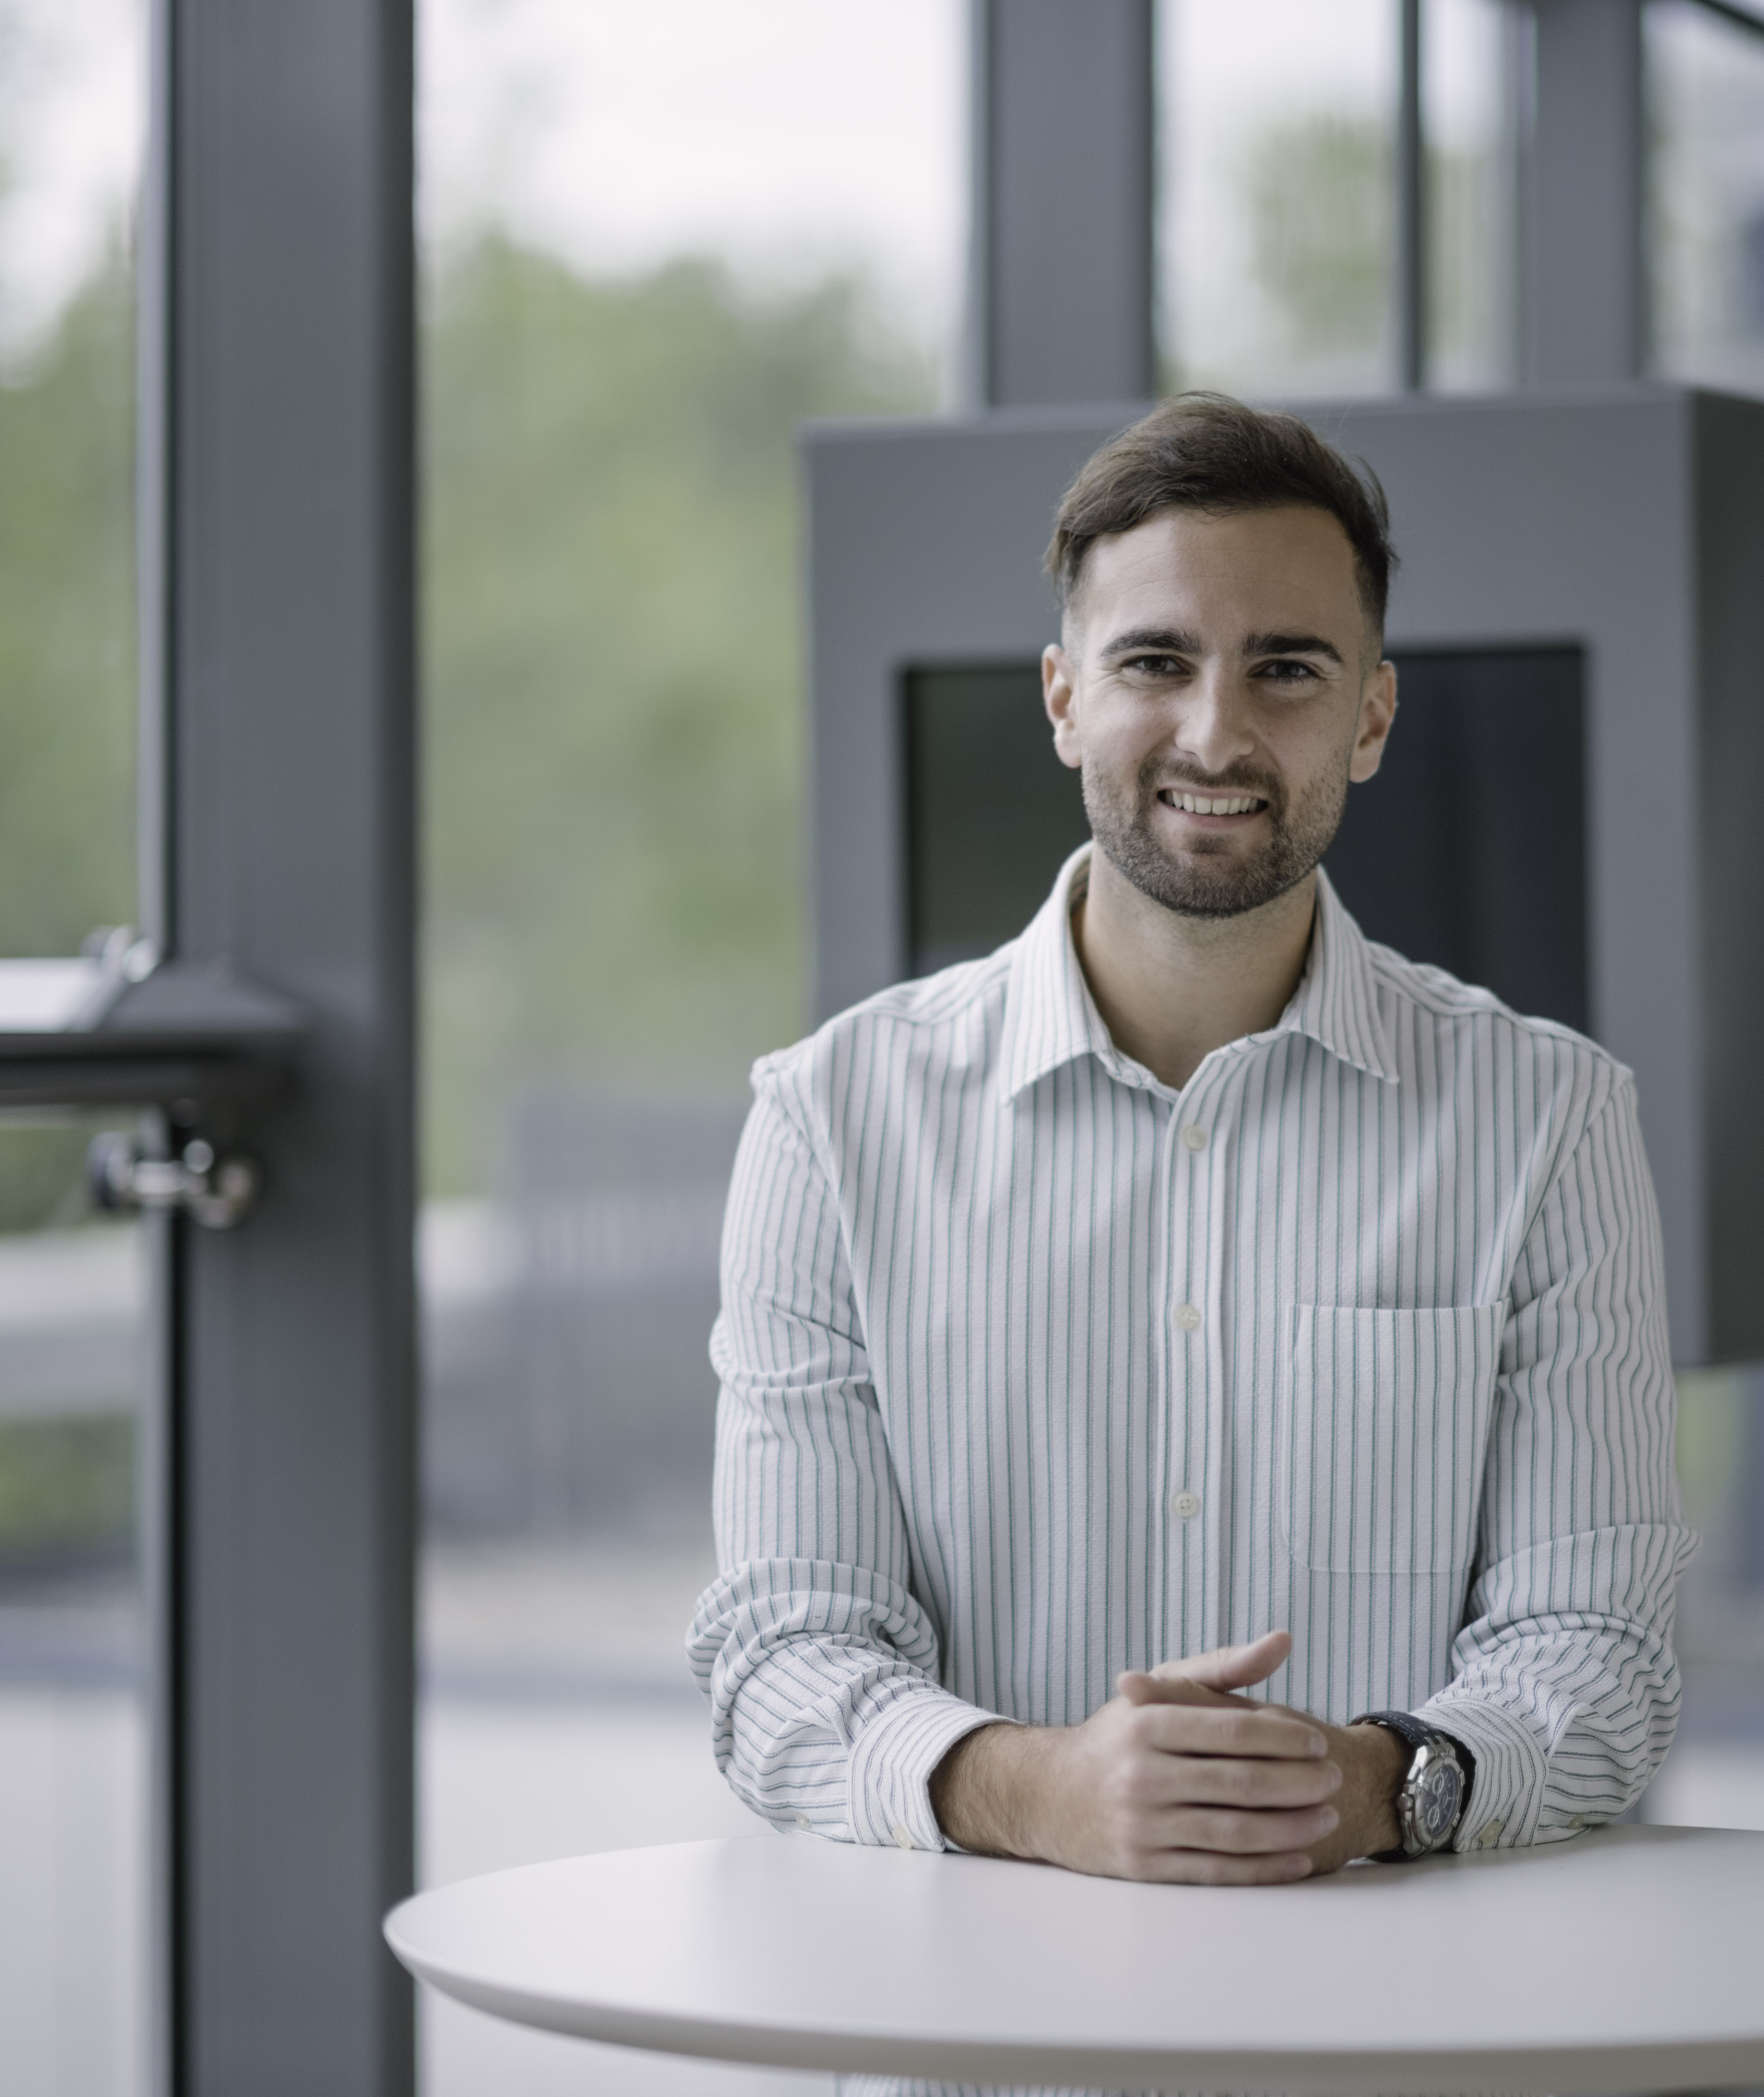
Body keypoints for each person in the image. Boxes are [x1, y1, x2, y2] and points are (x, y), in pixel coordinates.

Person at [688, 392, 1690, 1899]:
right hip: (977, 2050)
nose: (1217, 732)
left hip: (1401, 2052)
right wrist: (1042, 1790)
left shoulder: (1550, 1121)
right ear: (1063, 699)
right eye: (1156, 661)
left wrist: (1367, 1783)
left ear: (1369, 717)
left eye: (1286, 669)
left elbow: (1603, 1656)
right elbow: (781, 1653)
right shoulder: (830, 1125)